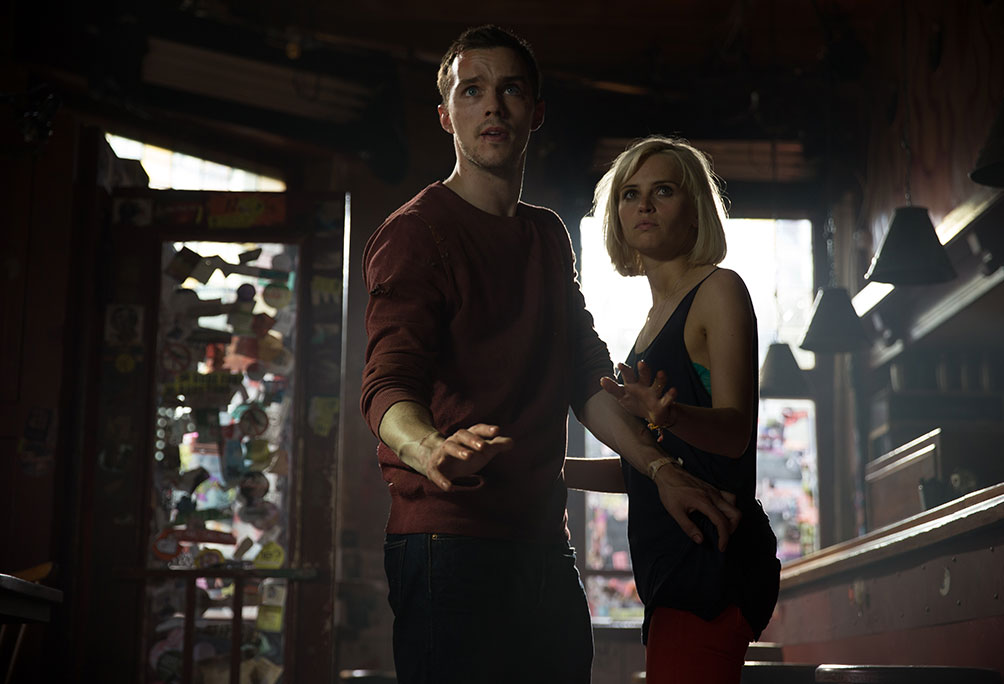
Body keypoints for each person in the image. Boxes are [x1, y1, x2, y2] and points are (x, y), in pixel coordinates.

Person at [360, 26, 741, 684]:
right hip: (447, 538)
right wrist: (428, 448)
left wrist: (660, 470)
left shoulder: (547, 234)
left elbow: (586, 377)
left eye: (510, 90)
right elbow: (386, 385)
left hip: (542, 543)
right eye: (471, 90)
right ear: (446, 114)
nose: (492, 105)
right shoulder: (416, 233)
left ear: (535, 112)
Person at [565, 136, 781, 684]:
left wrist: (670, 416)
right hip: (669, 575)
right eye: (629, 194)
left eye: (663, 191)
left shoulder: (718, 290)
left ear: (695, 209)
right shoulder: (649, 324)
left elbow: (734, 435)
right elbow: (656, 468)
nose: (643, 205)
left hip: (713, 565)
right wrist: (555, 471)